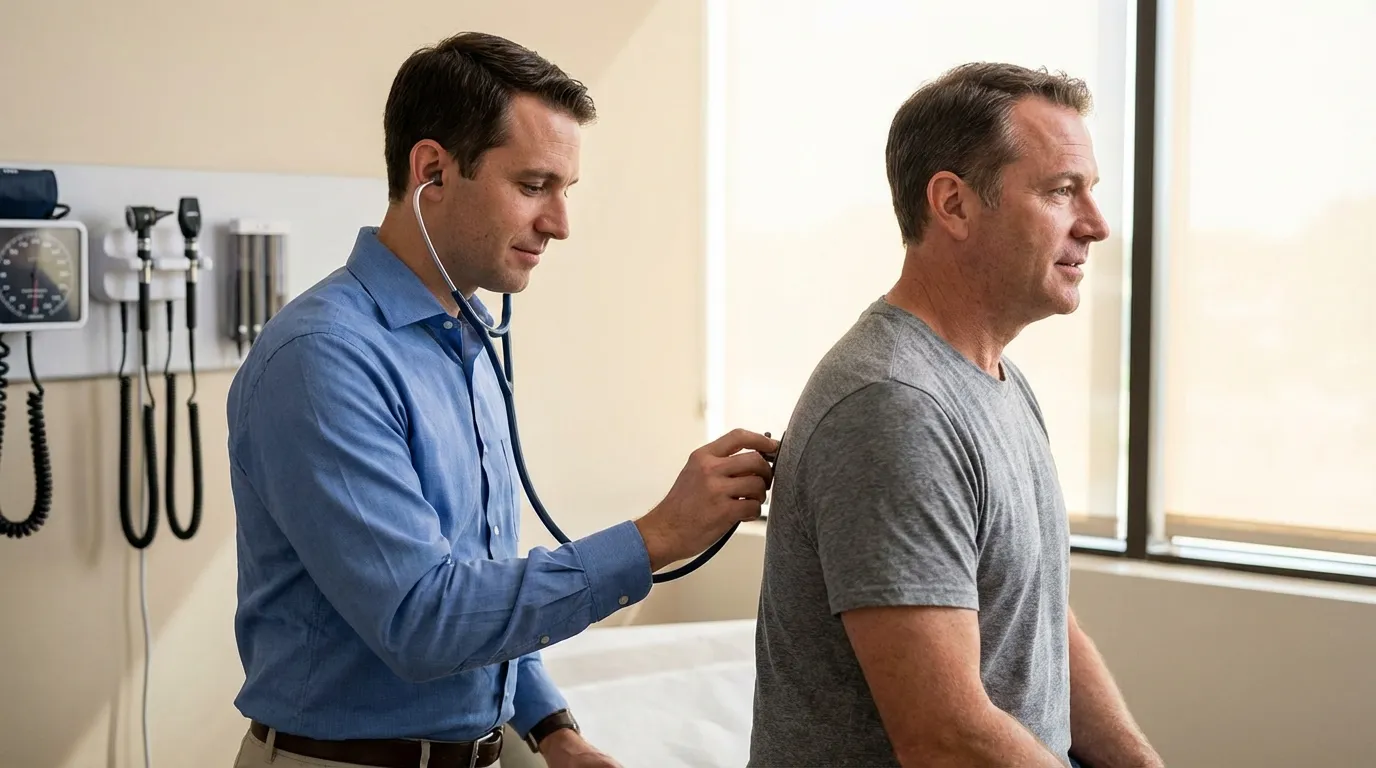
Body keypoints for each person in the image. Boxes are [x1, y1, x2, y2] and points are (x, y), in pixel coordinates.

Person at [227, 32, 778, 768]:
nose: (560, 223)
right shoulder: (323, 360)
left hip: (486, 747)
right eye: (533, 186)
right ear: (432, 172)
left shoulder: (465, 340)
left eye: (565, 190)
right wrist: (656, 537)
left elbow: (482, 589)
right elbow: (425, 620)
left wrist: (552, 728)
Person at [748, 63, 1163, 768]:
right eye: (1062, 192)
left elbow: (1037, 620)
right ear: (955, 205)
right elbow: (946, 736)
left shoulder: (997, 382)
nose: (1095, 225)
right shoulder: (893, 406)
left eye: (1090, 191)